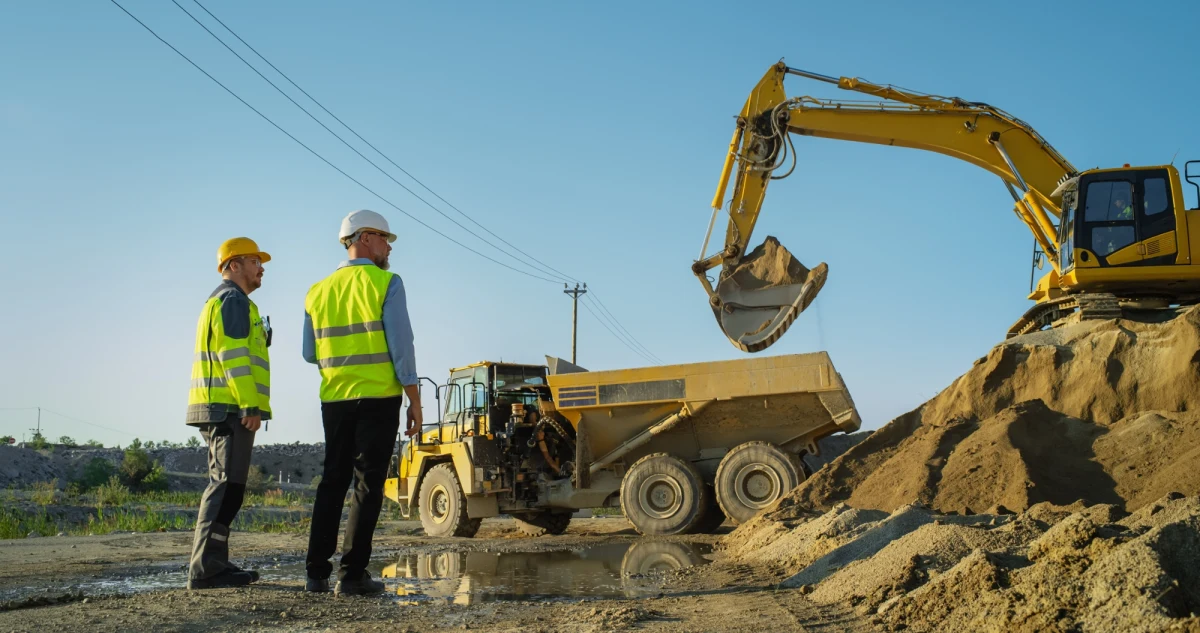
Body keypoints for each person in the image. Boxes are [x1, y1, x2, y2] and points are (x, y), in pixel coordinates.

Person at [302, 209, 422, 596]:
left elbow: (309, 353)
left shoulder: (316, 292)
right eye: (387, 238)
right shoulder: (387, 283)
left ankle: (315, 574)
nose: (389, 247)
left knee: (332, 482)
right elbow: (402, 348)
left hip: (335, 398)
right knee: (367, 484)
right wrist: (414, 400)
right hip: (378, 398)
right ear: (366, 238)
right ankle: (352, 575)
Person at [186, 237, 273, 590]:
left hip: (226, 407)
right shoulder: (232, 300)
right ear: (233, 265)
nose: (261, 267)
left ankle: (215, 563)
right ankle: (205, 569)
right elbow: (232, 356)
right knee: (224, 487)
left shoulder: (234, 303)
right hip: (229, 409)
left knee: (231, 488)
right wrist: (249, 405)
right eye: (255, 260)